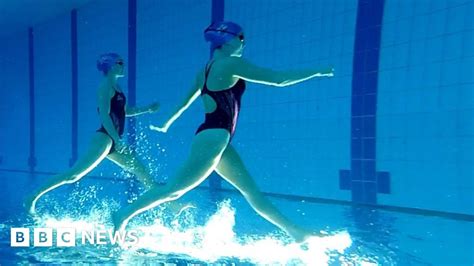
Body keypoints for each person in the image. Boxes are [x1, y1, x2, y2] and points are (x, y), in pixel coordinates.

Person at [113, 21, 334, 243]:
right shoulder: (230, 64)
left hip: (217, 139)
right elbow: (278, 79)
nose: (244, 43)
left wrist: (166, 123)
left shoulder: (205, 71)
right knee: (173, 190)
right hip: (214, 137)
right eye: (242, 38)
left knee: (251, 193)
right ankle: (123, 215)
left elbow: (183, 104)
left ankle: (295, 232)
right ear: (228, 39)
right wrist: (317, 71)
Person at [24, 53, 160, 215]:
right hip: (105, 139)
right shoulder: (105, 87)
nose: (123, 65)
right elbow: (104, 115)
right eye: (119, 62)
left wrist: (147, 109)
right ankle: (32, 197)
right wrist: (117, 139)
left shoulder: (117, 87)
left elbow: (124, 111)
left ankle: (171, 206)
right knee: (73, 175)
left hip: (114, 140)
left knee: (142, 172)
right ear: (110, 66)